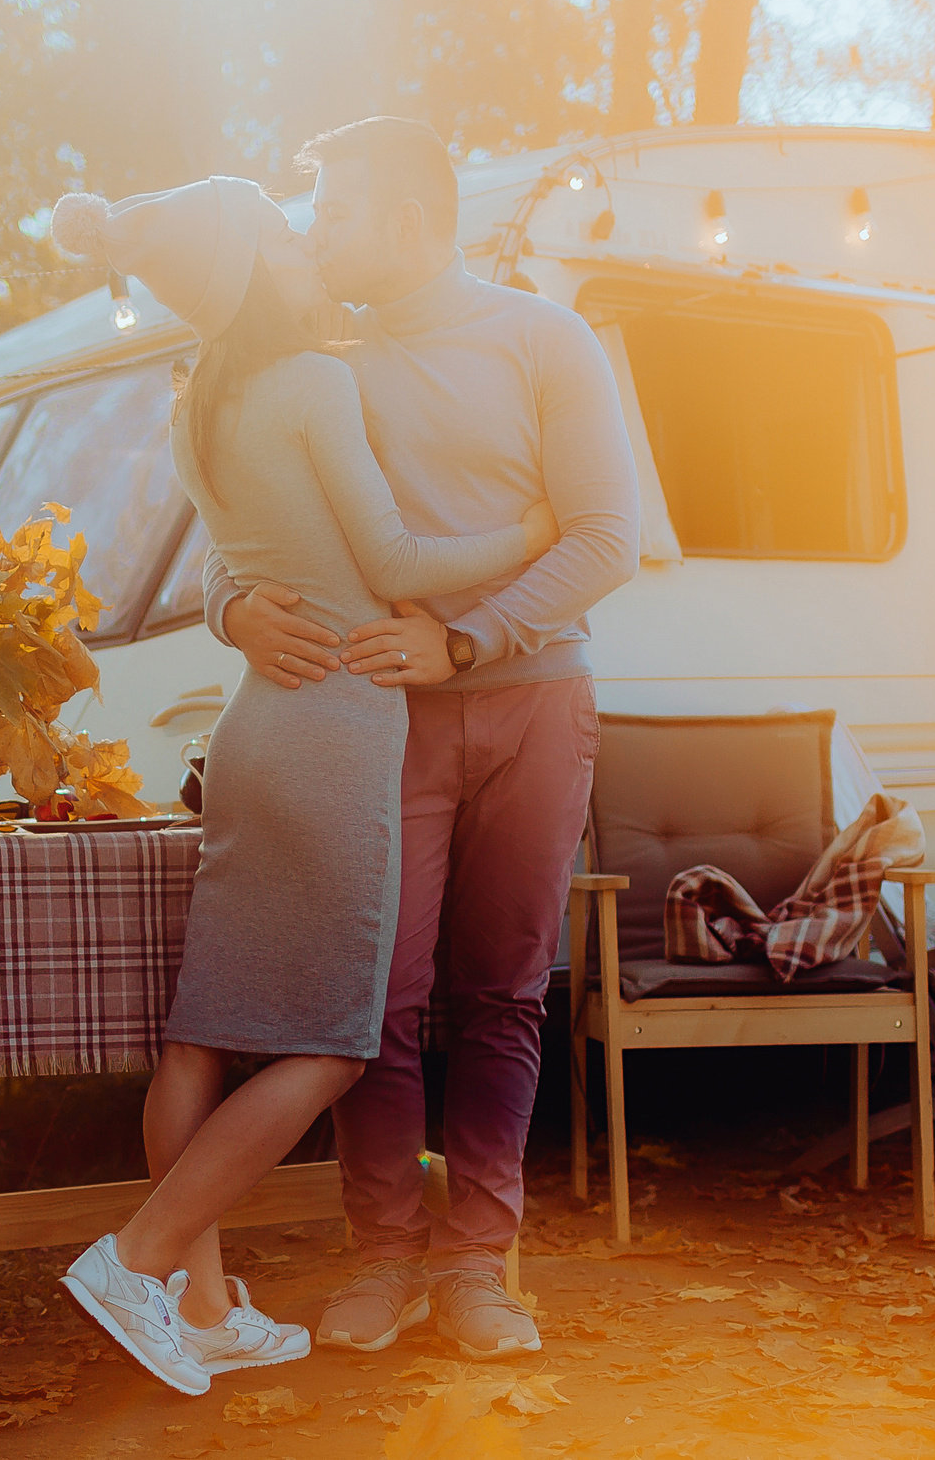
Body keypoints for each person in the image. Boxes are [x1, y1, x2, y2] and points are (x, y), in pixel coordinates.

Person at [45, 175, 559, 1394]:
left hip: (256, 732)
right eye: (281, 232)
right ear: (250, 265)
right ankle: (136, 1261)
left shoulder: (196, 404)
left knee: (205, 1035)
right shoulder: (315, 383)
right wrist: (535, 533)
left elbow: (236, 561)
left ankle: (205, 1310)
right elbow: (396, 559)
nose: (303, 243)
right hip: (332, 732)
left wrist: (232, 608)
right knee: (331, 1045)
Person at [202, 117, 640, 1361]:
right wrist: (232, 610)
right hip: (372, 722)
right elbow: (237, 529)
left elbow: (606, 537)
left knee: (502, 993)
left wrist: (466, 640)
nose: (312, 233)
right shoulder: (317, 362)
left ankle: (474, 1266)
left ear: (404, 219)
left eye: (333, 210)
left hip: (535, 706)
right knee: (377, 999)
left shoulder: (543, 339)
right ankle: (384, 1257)